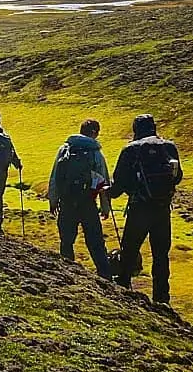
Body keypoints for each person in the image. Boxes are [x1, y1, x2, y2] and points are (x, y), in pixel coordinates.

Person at [110, 114, 183, 306]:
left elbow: (118, 184)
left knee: (130, 249)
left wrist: (108, 192)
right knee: (161, 254)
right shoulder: (169, 147)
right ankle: (161, 297)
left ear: (136, 129)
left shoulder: (131, 149)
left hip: (139, 207)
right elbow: (177, 177)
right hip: (162, 209)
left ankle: (124, 287)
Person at [46, 120, 113, 278]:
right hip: (87, 202)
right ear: (94, 133)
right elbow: (103, 181)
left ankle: (67, 273)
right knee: (96, 241)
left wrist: (53, 200)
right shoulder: (95, 152)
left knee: (66, 240)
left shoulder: (65, 149)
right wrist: (105, 207)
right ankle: (105, 275)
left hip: (67, 201)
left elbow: (55, 176)